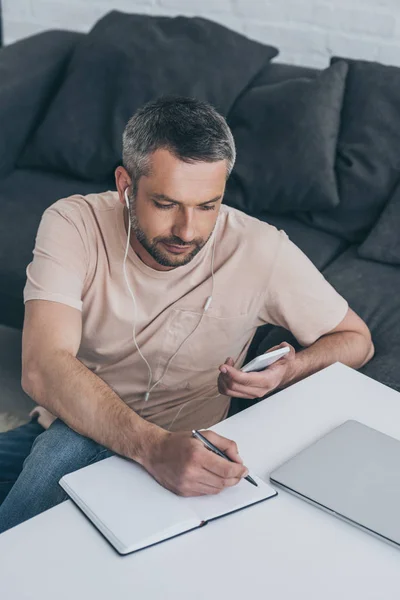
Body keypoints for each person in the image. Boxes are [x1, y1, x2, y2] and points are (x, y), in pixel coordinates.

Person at [0, 97, 374, 534]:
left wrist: (291, 370)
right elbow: (43, 368)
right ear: (125, 185)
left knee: (56, 477)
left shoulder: (260, 250)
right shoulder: (74, 223)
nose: (187, 231)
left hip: (188, 458)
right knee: (61, 447)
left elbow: (356, 339)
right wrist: (151, 447)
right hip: (73, 423)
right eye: (165, 203)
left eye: (207, 206)